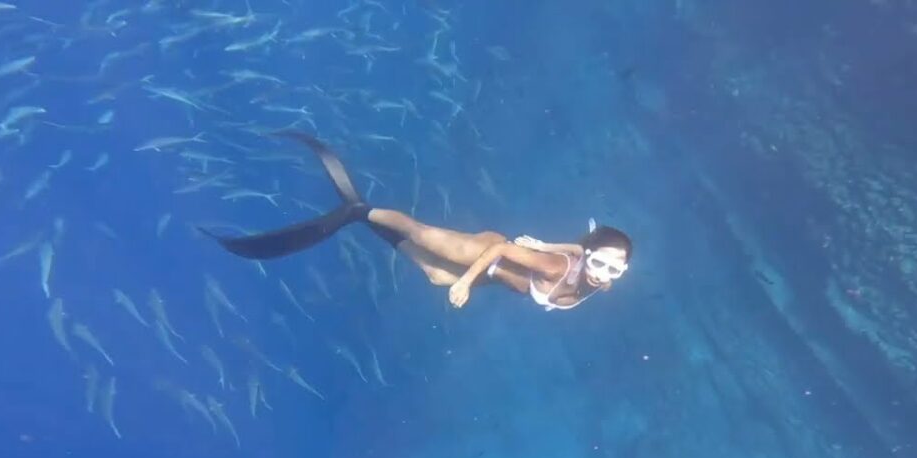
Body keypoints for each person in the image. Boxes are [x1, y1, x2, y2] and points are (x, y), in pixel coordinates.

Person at [203, 133, 632, 310]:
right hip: (489, 254)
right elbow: (502, 250)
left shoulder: (598, 278)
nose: (606, 273)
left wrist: (552, 245)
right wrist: (466, 281)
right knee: (420, 233)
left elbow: (582, 251)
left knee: (431, 274)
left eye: (615, 269)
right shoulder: (556, 269)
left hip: (499, 274)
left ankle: (363, 218)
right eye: (602, 263)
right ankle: (360, 212)